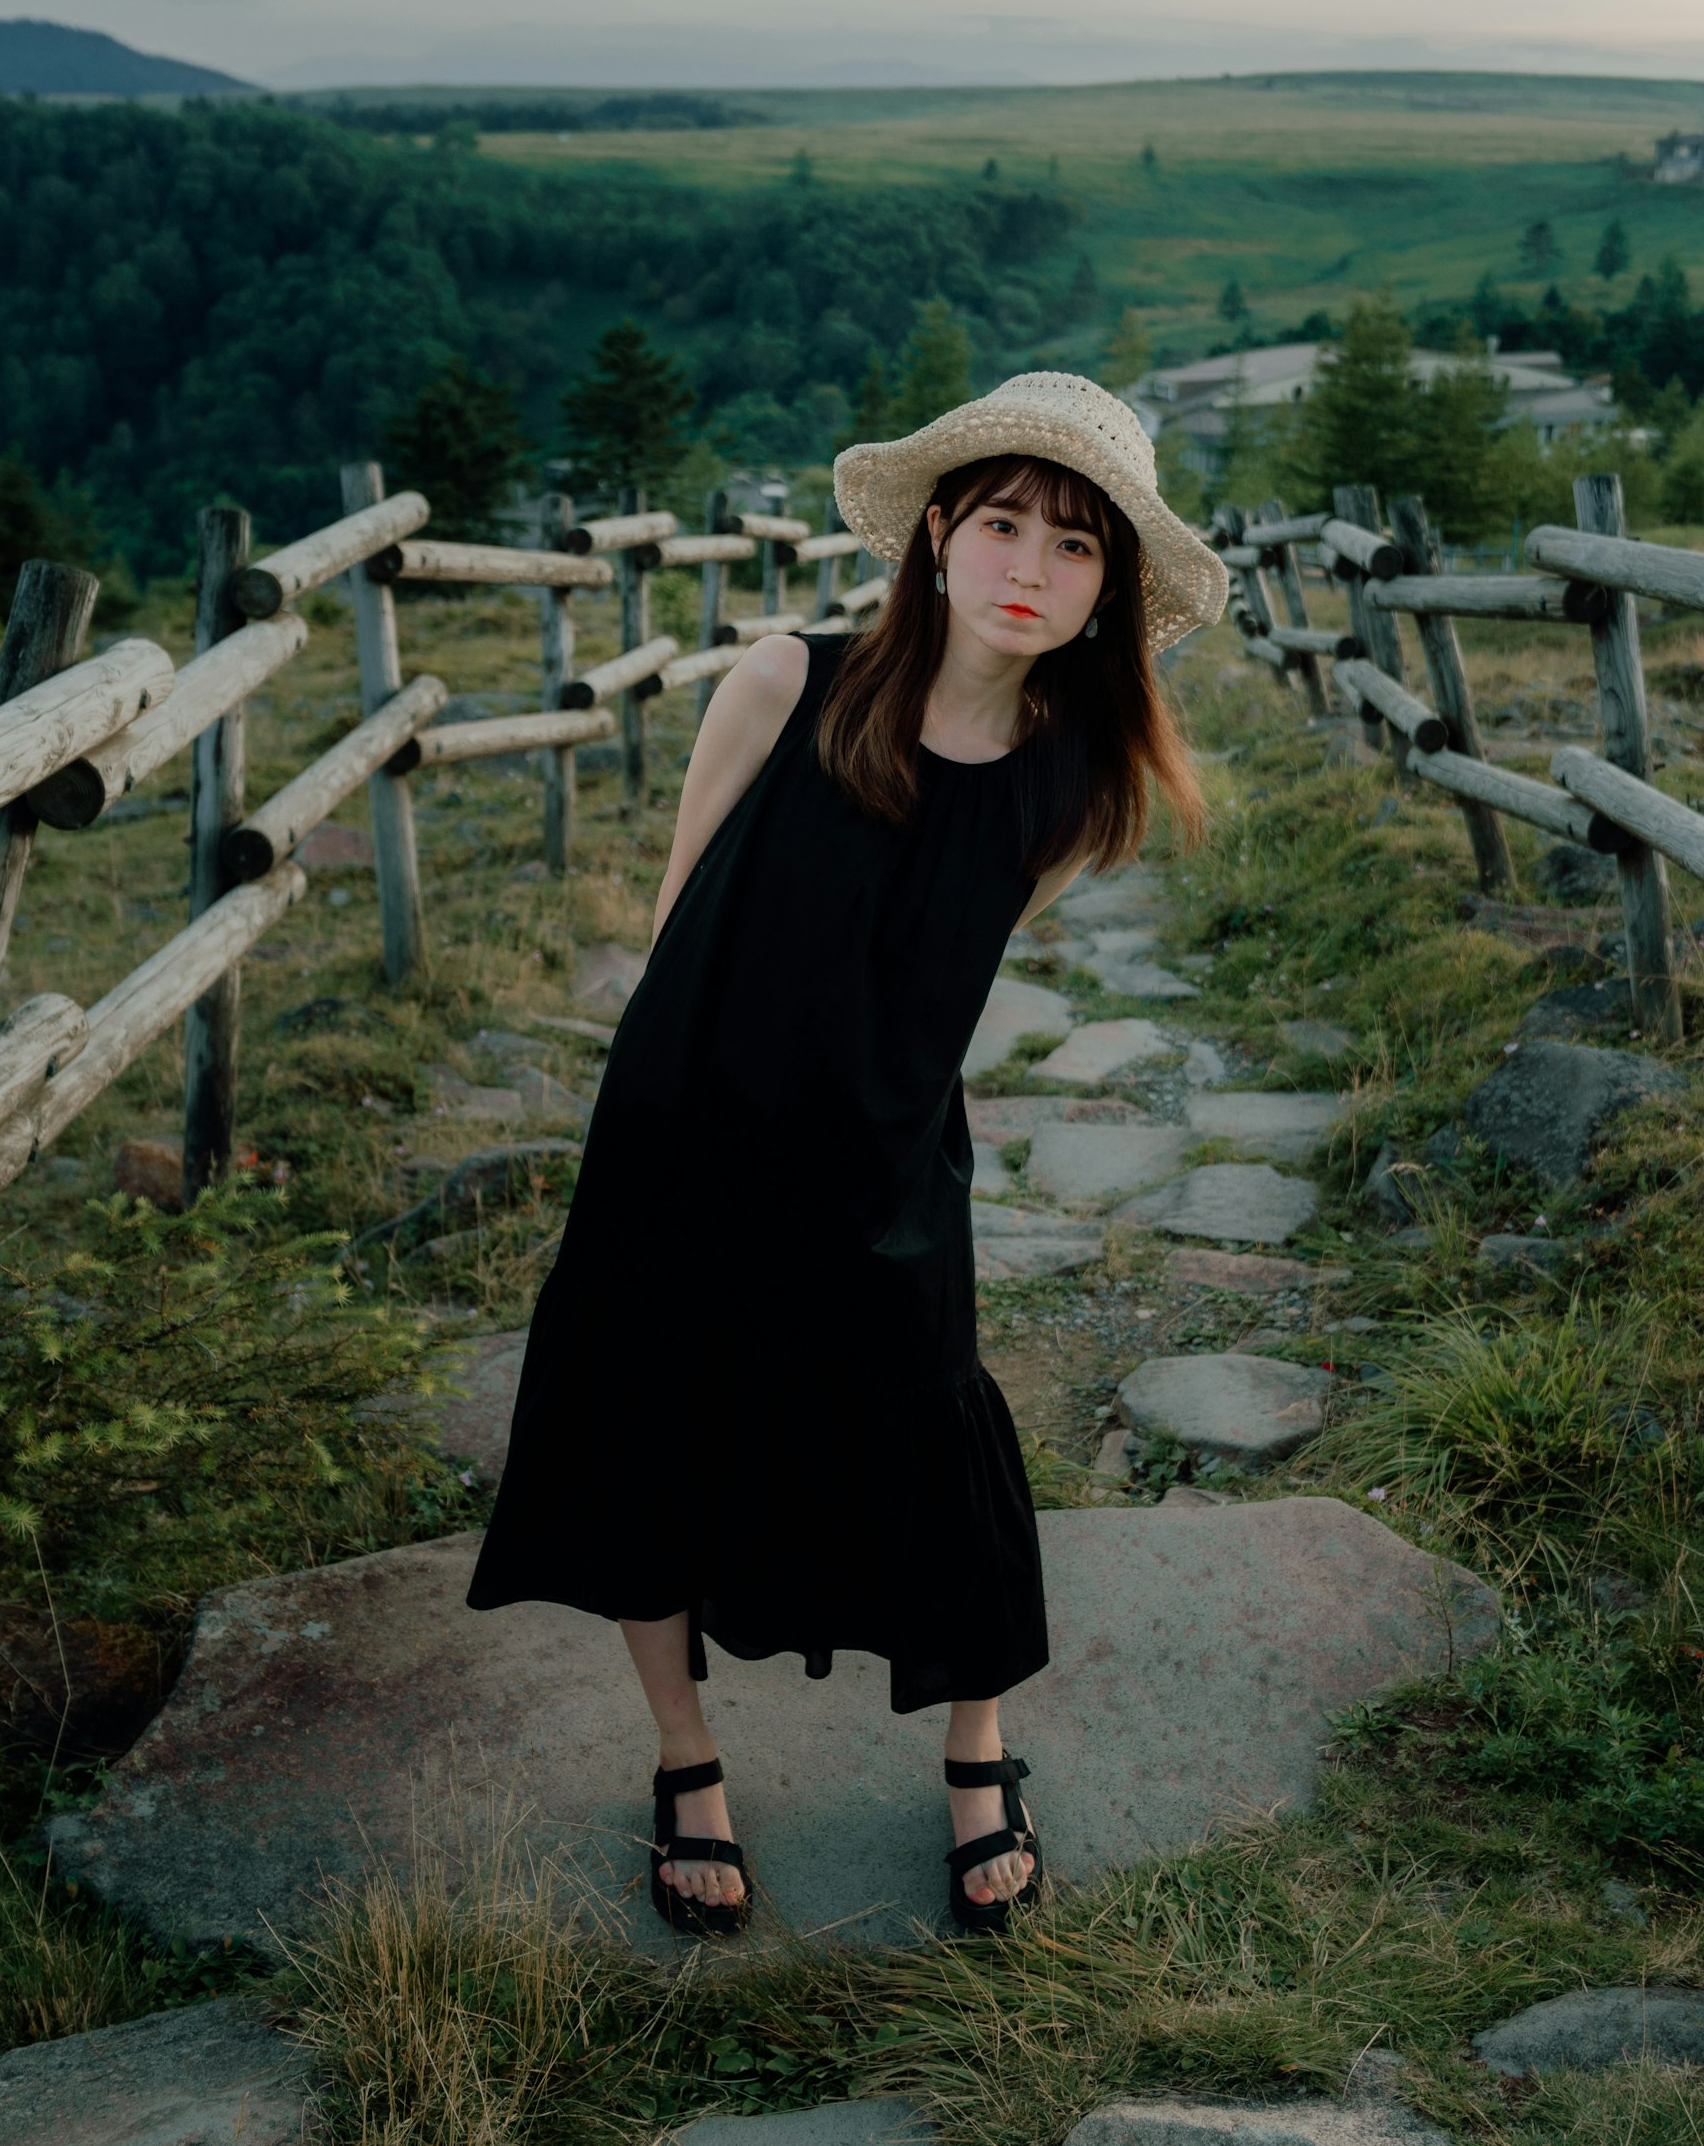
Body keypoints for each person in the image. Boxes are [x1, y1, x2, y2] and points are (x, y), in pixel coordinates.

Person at [466, 372, 1229, 1938]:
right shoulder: (779, 682)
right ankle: (687, 1764)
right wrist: (657, 1144)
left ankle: (978, 1753)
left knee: (933, 1431)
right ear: (938, 532)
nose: (1033, 566)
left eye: (1077, 547)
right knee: (649, 1438)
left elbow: (937, 984)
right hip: (686, 1134)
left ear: (1110, 593)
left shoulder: (1073, 784)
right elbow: (685, 919)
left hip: (882, 1154)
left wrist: (881, 1147)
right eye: (1005, 522)